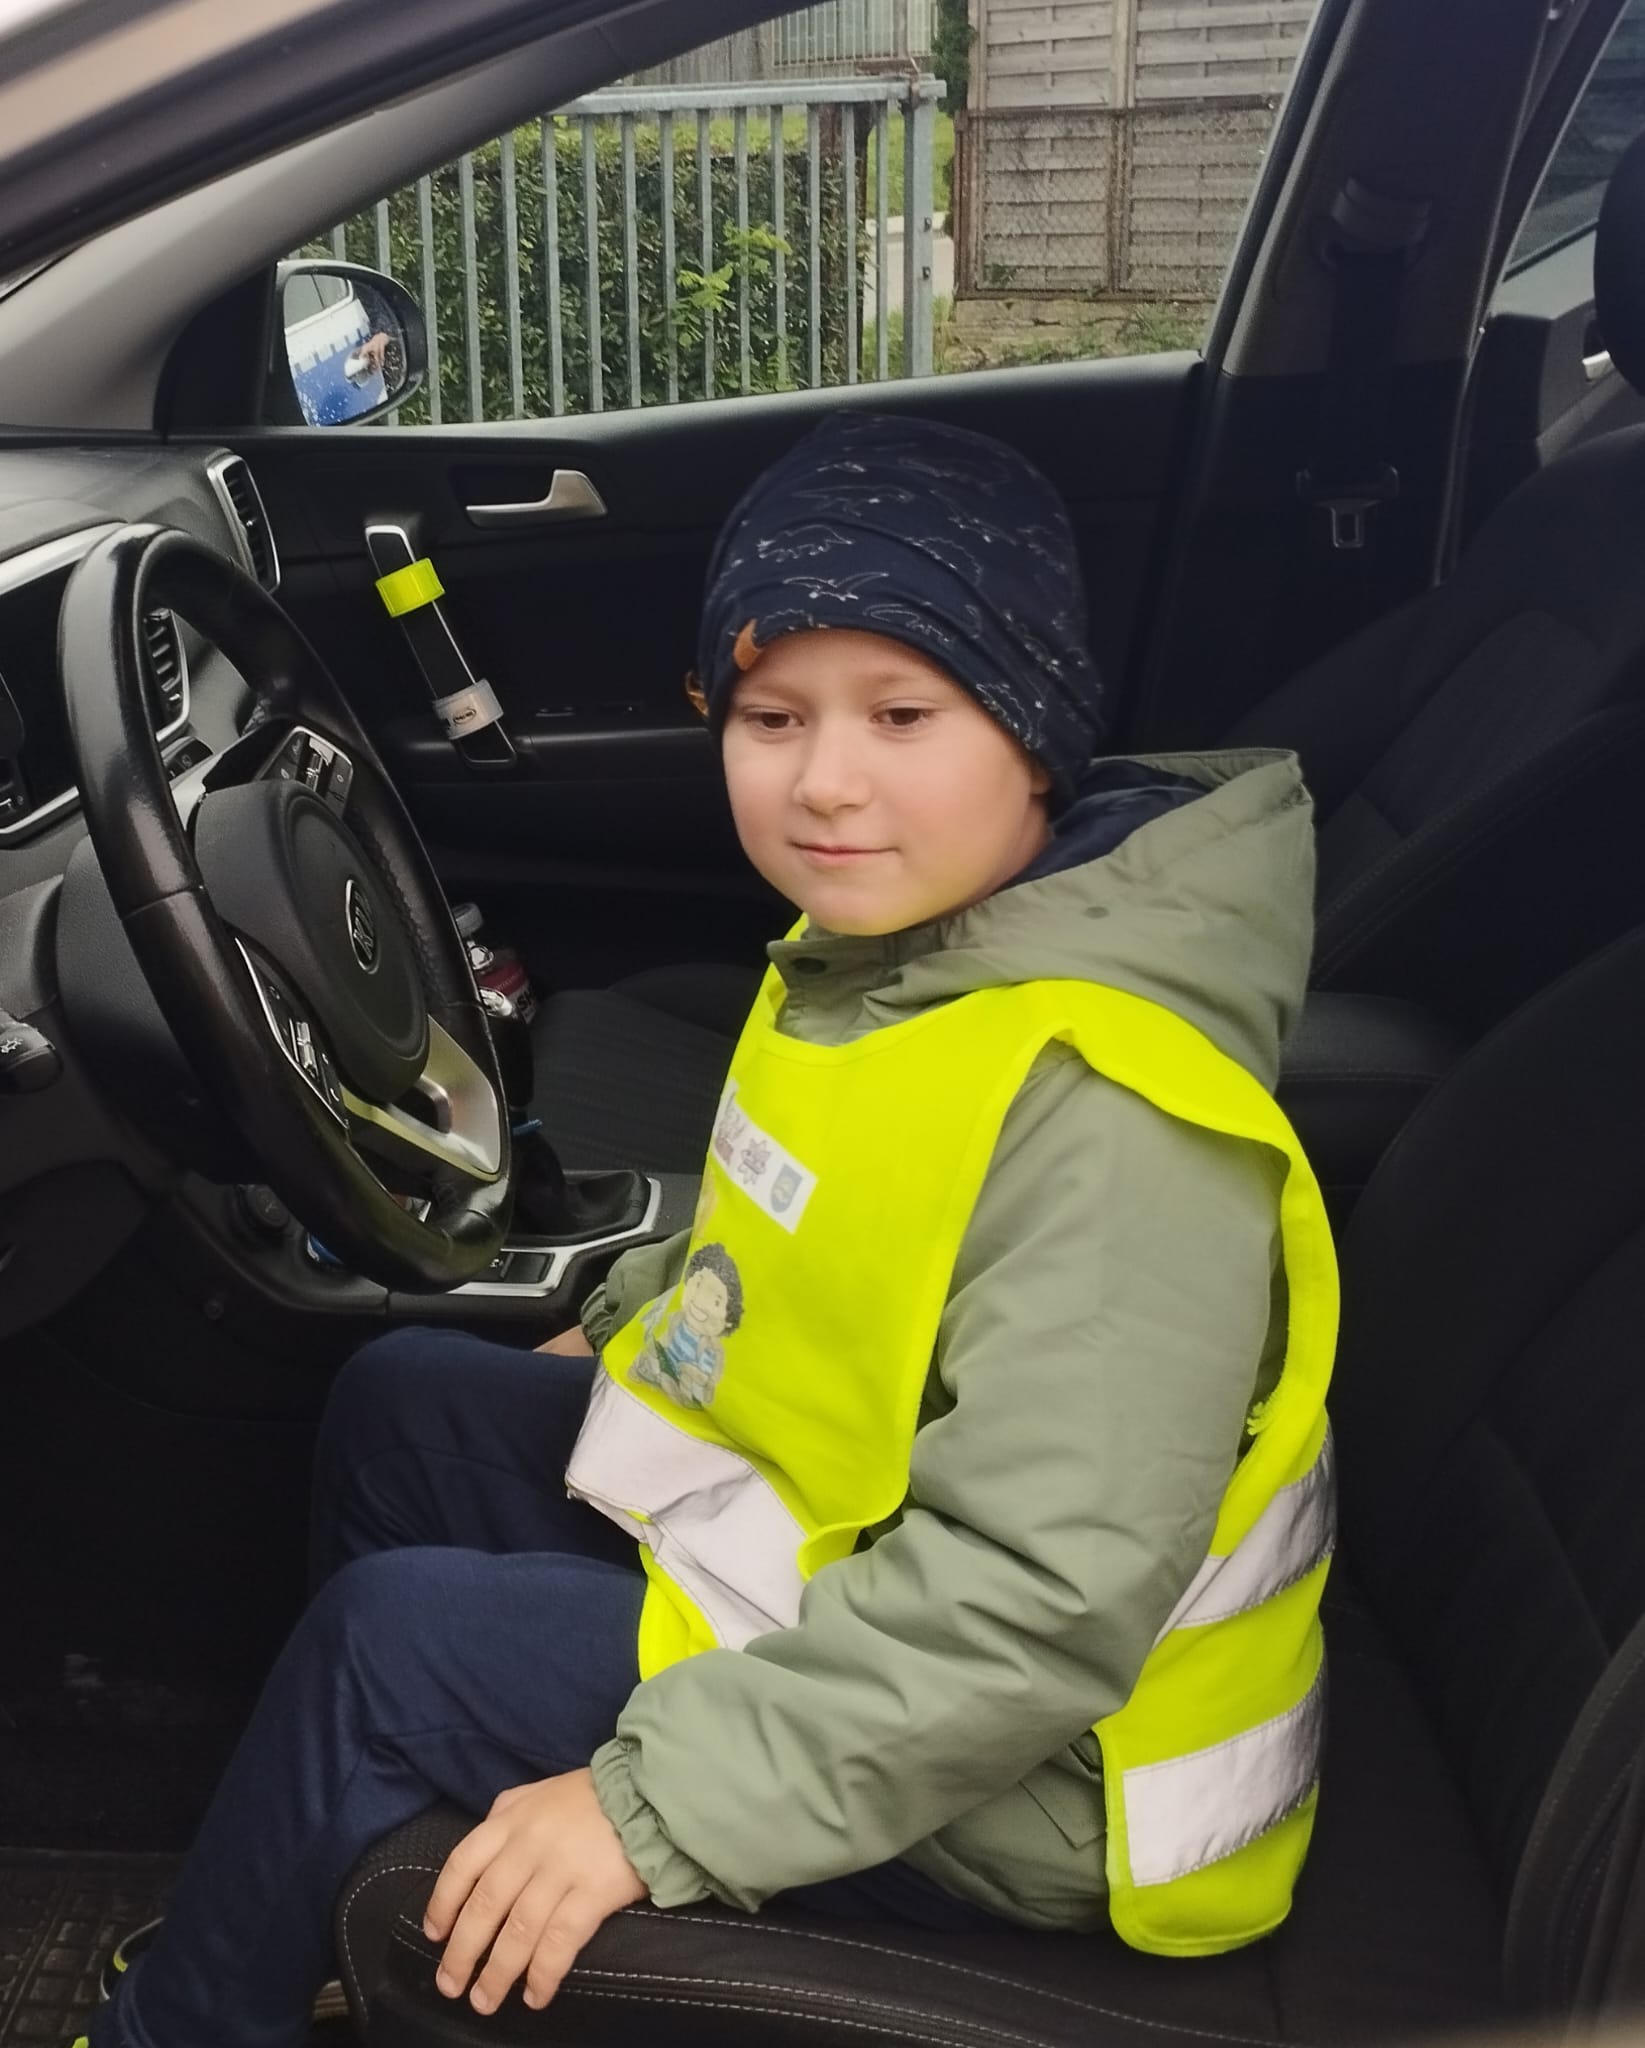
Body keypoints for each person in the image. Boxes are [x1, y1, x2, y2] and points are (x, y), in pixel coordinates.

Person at [86, 412, 1335, 2048]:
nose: (826, 780)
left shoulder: (1114, 1119)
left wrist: (652, 1805)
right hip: (871, 1572)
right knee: (406, 1403)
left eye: (903, 713)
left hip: (1043, 1780)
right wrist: (624, 1319)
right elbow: (816, 1241)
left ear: (1035, 732)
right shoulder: (910, 958)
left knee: (392, 1654)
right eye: (770, 716)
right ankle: (360, 1880)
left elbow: (1035, 1605)